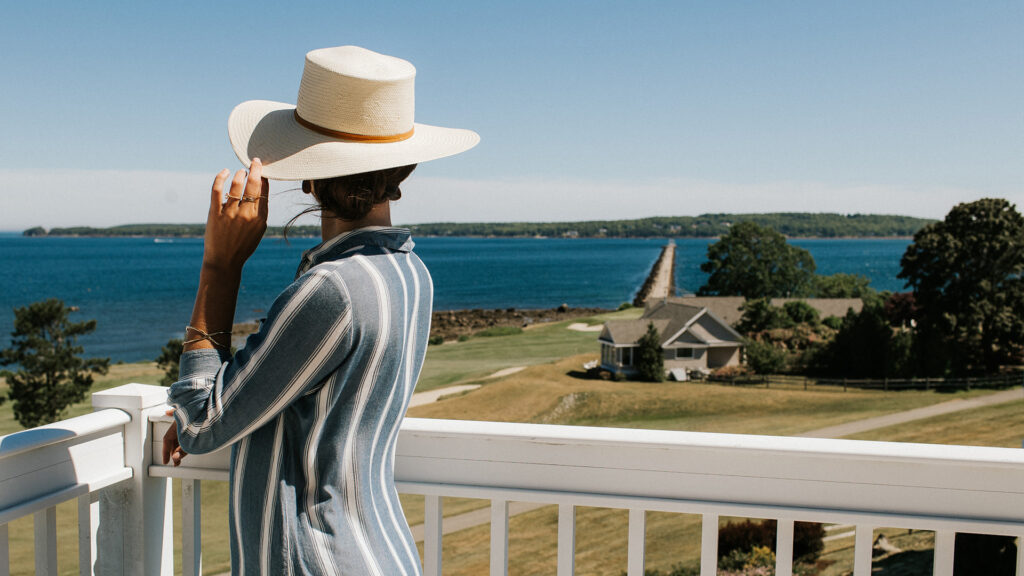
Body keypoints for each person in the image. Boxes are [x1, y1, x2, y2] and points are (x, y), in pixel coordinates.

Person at [162, 45, 478, 575]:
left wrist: (220, 266)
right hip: (380, 553)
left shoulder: (331, 288)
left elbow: (199, 426)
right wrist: (229, 406)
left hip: (315, 560)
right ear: (406, 168)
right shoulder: (410, 274)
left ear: (308, 174)